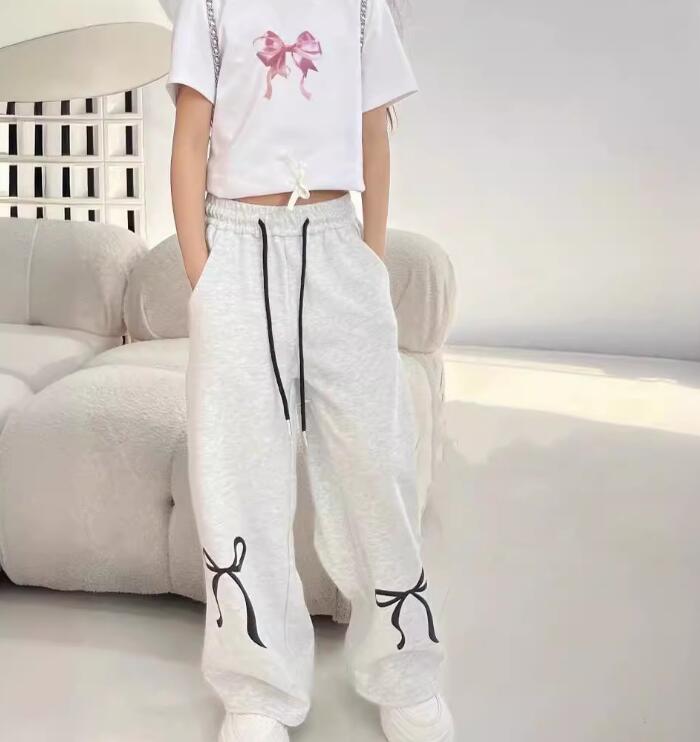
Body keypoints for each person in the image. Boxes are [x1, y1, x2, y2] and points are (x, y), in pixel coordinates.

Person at [167, 1, 453, 740]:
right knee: (236, 474)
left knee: (378, 464)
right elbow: (190, 139)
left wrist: (370, 260)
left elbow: (374, 133)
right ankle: (258, 689)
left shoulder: (360, 7)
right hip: (236, 245)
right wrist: (203, 279)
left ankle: (405, 669)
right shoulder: (210, 6)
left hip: (335, 241)